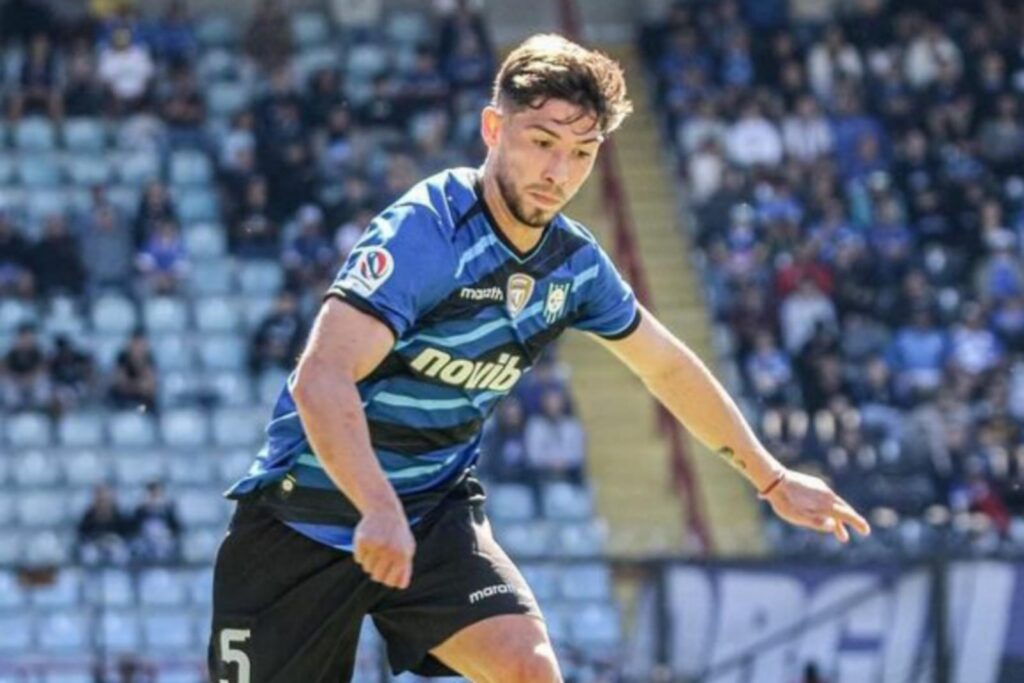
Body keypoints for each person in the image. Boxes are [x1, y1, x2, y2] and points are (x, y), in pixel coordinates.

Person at [209, 34, 871, 683]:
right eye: (543, 142)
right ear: (493, 128)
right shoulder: (429, 230)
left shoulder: (573, 266)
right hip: (300, 523)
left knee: (529, 669)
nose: (559, 172)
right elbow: (320, 378)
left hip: (433, 513)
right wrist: (376, 506)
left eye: (582, 153)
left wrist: (773, 478)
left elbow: (666, 367)